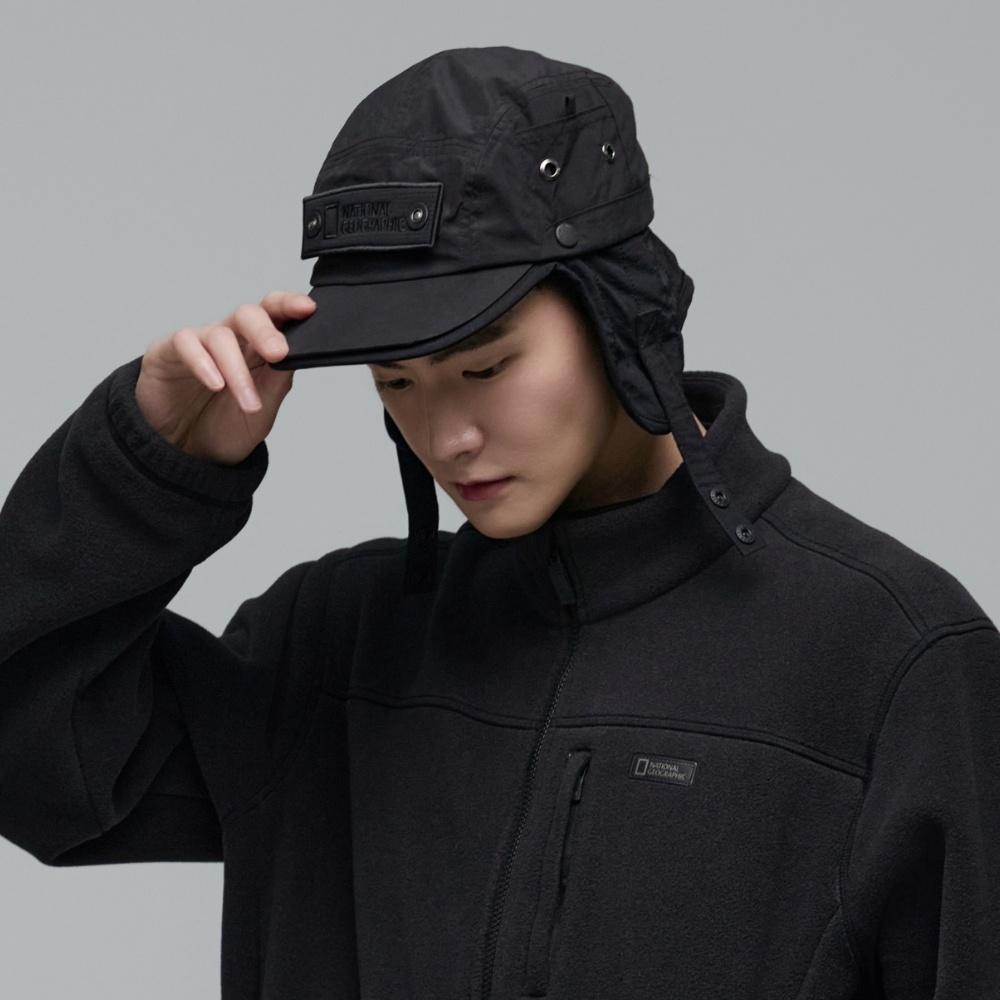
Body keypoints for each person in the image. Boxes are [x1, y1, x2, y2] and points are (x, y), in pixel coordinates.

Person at [2, 44, 999, 1000]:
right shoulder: (335, 644)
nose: (450, 436)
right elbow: (36, 766)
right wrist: (149, 463)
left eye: (485, 366)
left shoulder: (890, 662)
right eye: (396, 381)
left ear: (621, 317)